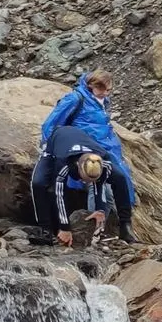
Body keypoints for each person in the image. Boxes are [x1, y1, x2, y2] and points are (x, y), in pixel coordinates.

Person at [38, 69, 137, 225]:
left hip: (106, 148)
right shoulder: (75, 99)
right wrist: (51, 148)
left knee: (110, 188)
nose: (105, 93)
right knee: (96, 185)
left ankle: (104, 225)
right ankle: (93, 226)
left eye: (108, 90)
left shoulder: (102, 101)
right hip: (85, 150)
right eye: (101, 89)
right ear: (90, 85)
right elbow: (52, 124)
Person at [31, 141, 132, 246]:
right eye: (85, 179)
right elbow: (59, 194)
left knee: (119, 179)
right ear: (78, 167)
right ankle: (46, 230)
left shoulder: (103, 158)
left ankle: (125, 227)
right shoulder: (63, 162)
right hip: (56, 147)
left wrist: (100, 209)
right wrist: (64, 227)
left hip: (88, 148)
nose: (85, 183)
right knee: (39, 184)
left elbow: (100, 183)